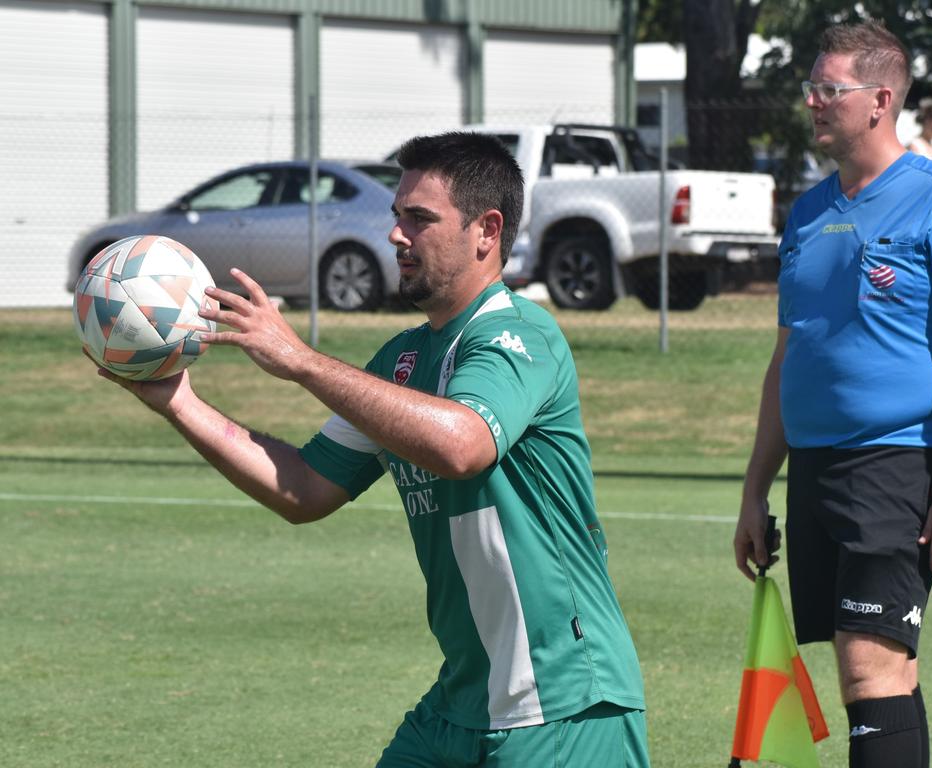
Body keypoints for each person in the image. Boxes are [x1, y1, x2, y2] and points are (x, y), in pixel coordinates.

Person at [92, 131, 649, 767]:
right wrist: (179, 402)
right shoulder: (399, 362)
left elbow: (463, 444)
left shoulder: (519, 334)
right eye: (396, 216)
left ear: (486, 231)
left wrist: (300, 361)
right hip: (460, 705)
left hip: (563, 703)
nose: (396, 236)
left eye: (420, 219)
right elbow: (302, 488)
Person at [734, 21, 932, 768]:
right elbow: (788, 355)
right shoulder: (807, 212)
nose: (814, 103)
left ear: (880, 99)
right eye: (811, 89)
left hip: (898, 466)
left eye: (830, 89)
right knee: (884, 671)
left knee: (868, 666)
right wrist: (756, 488)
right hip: (816, 469)